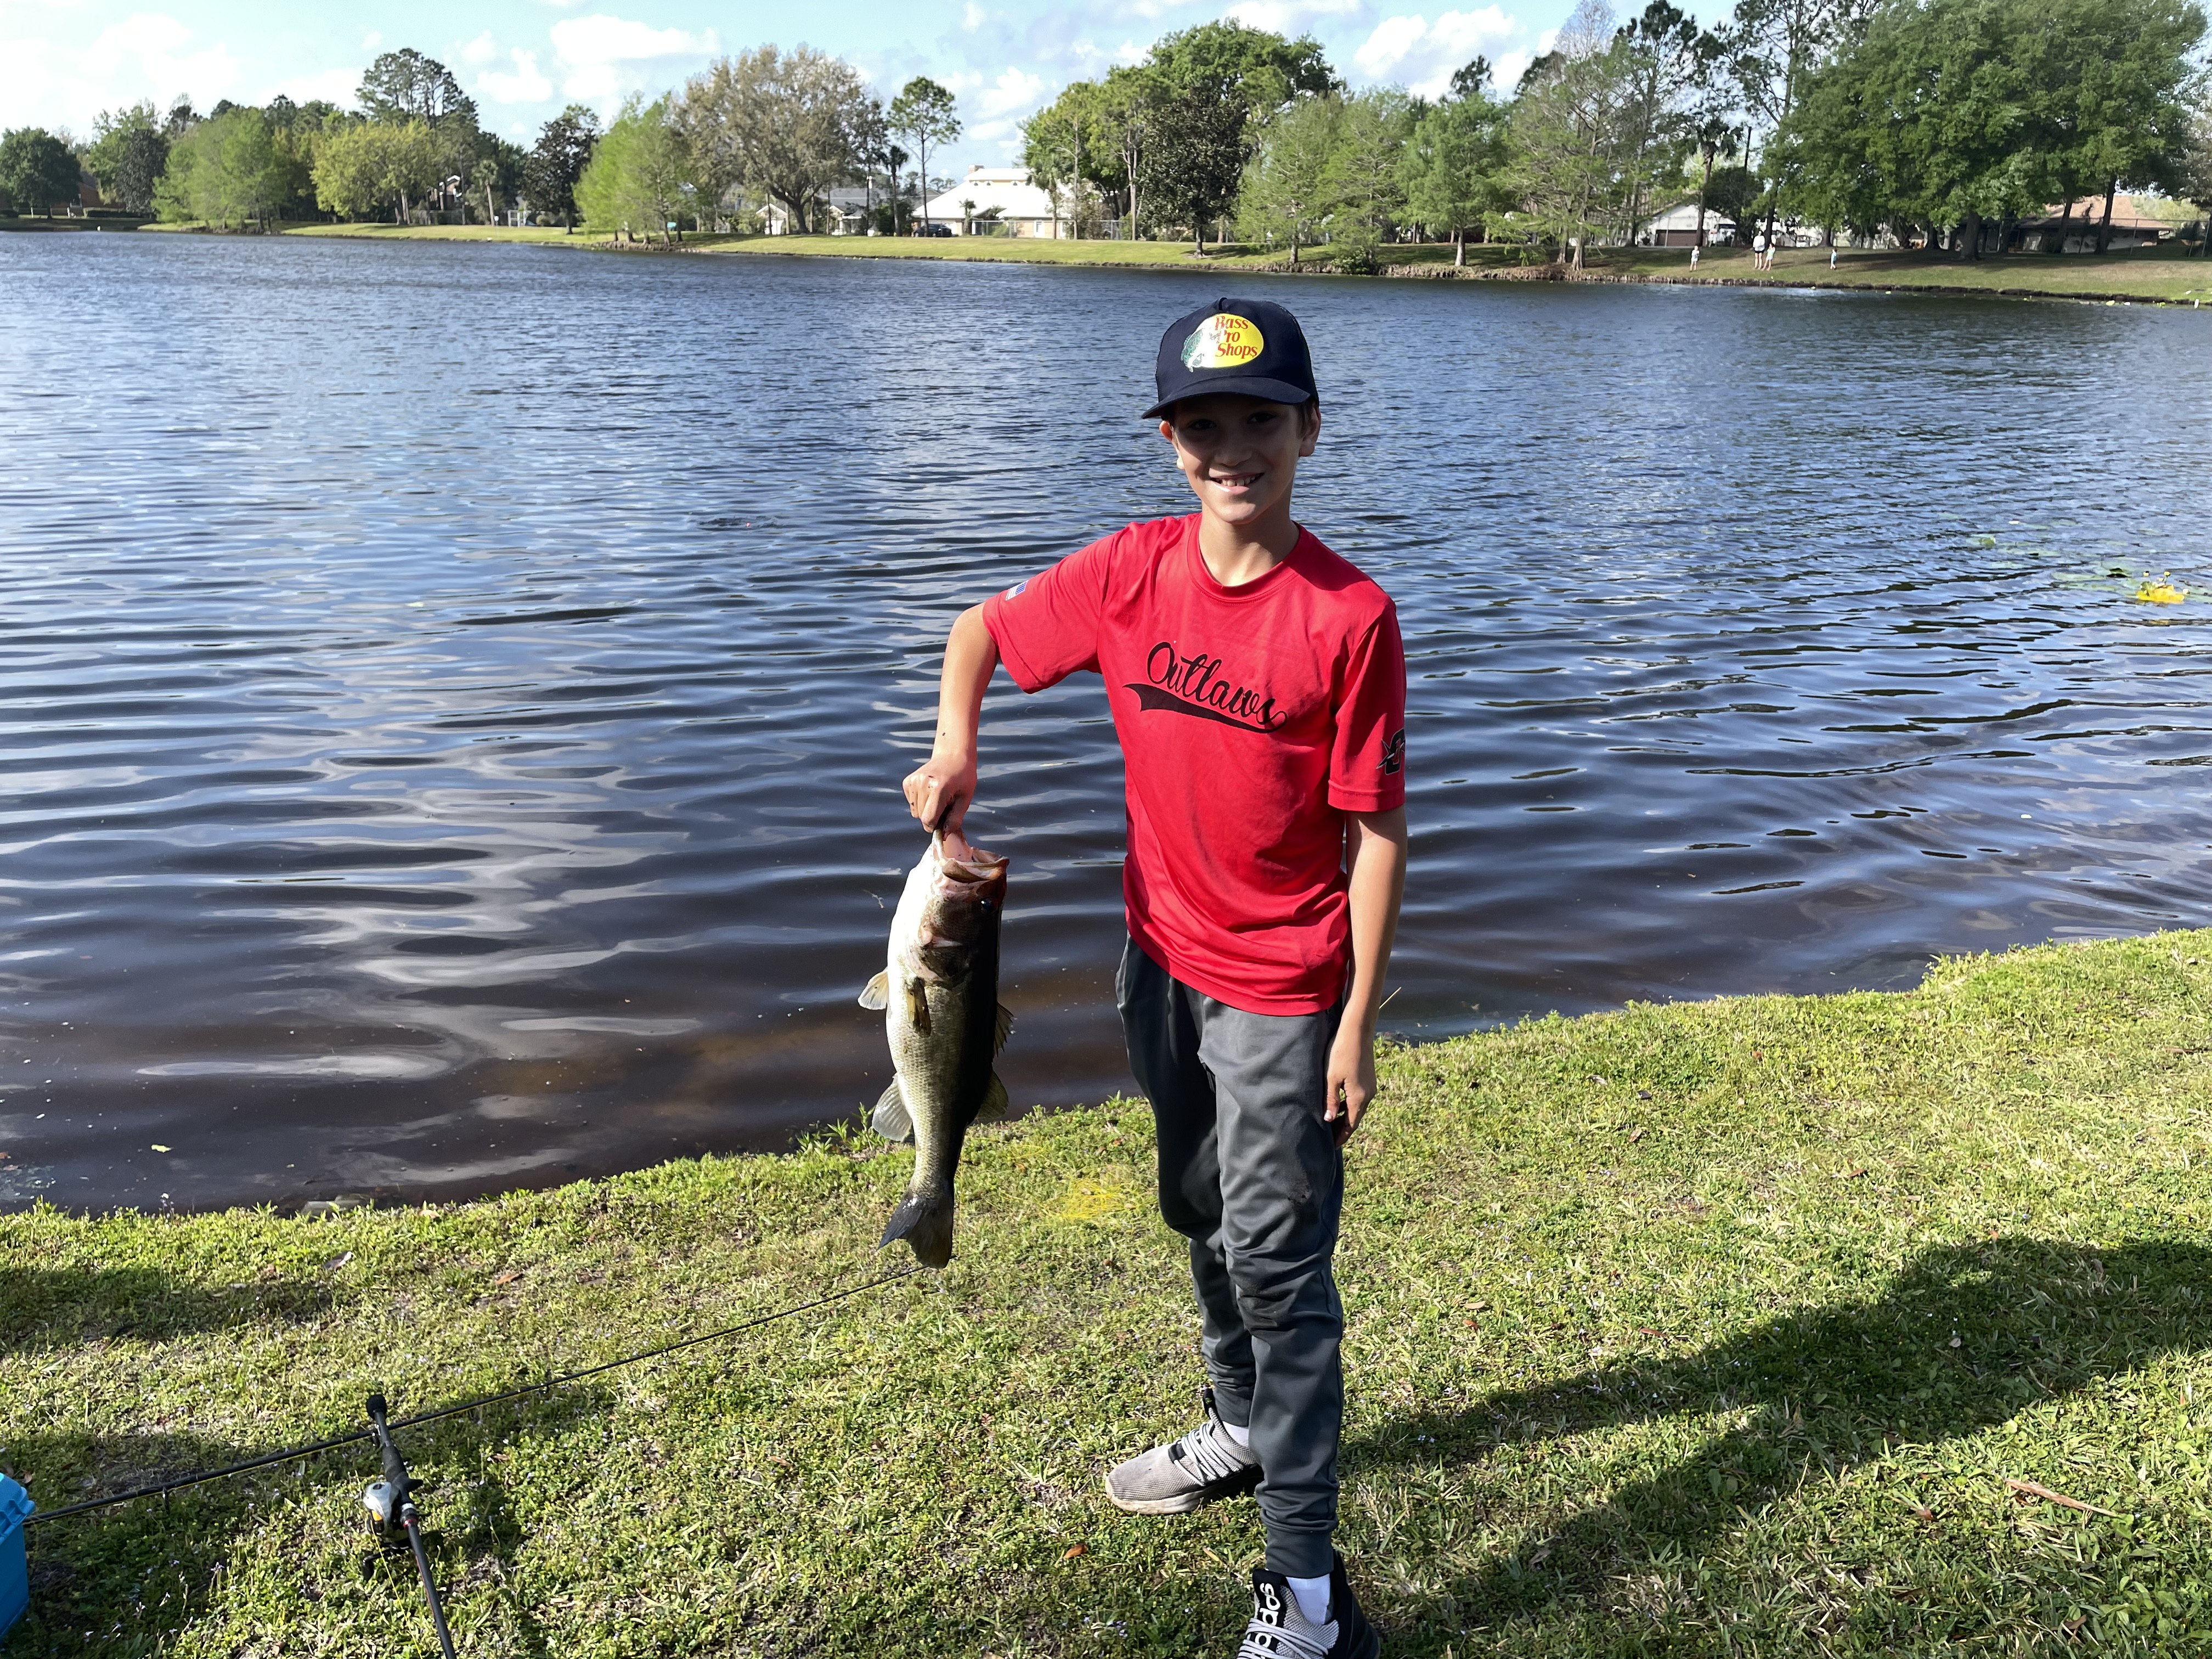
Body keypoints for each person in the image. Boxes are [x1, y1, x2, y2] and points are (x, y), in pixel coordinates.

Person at [902, 298, 1406, 1659]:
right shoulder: (1129, 575)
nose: (1229, 448)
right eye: (1201, 425)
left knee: (1284, 1268)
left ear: (1307, 428)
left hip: (1287, 990)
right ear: (1171, 442)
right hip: (1159, 962)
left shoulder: (1351, 617)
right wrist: (957, 750)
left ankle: (1308, 1597)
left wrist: (1355, 1022)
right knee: (1199, 1212)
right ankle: (1239, 1424)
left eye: (1258, 419)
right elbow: (982, 633)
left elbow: (1374, 832)